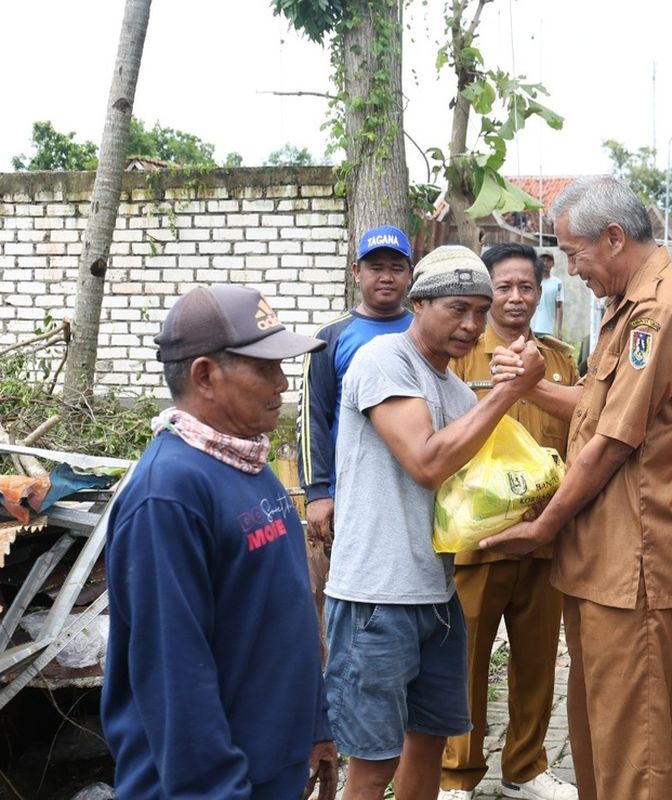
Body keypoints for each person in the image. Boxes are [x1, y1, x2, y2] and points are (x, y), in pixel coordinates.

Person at [480, 176, 672, 800]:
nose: (570, 268)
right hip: (599, 559)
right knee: (595, 733)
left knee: (631, 748)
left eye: (574, 253)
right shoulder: (626, 304)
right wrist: (530, 385)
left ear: (613, 238)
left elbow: (611, 441)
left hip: (632, 562)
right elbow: (595, 404)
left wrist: (544, 525)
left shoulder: (657, 311)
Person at [322, 245, 545, 800]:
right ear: (419, 303)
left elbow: (462, 492)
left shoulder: (452, 388)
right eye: (457, 309)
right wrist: (509, 394)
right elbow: (426, 462)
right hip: (376, 596)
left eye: (479, 309)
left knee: (427, 745)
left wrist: (527, 496)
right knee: (374, 764)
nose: (472, 324)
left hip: (436, 594)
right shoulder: (383, 360)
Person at [102, 284, 337, 799]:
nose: (281, 383)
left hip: (272, 766)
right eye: (265, 368)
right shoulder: (168, 496)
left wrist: (315, 726)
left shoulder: (252, 467)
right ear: (205, 375)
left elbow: (289, 614)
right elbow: (175, 676)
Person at [440, 243, 579, 800]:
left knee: (536, 663)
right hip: (477, 539)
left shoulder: (560, 359)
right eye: (504, 287)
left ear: (540, 292)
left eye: (527, 286)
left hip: (545, 539)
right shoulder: (461, 357)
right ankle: (456, 773)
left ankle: (524, 768)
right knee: (466, 661)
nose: (516, 297)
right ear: (486, 292)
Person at [297, 224, 415, 651]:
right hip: (351, 490)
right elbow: (312, 416)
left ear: (410, 275)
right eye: (375, 267)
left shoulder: (423, 333)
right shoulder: (330, 338)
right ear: (356, 272)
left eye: (396, 267)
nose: (386, 276)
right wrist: (317, 493)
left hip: (415, 483)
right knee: (349, 589)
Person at [530, 252, 564, 339]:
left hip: (547, 329)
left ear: (553, 264)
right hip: (530, 327)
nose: (545, 263)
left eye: (548, 260)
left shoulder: (557, 283)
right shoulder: (532, 281)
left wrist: (559, 330)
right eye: (543, 260)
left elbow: (559, 307)